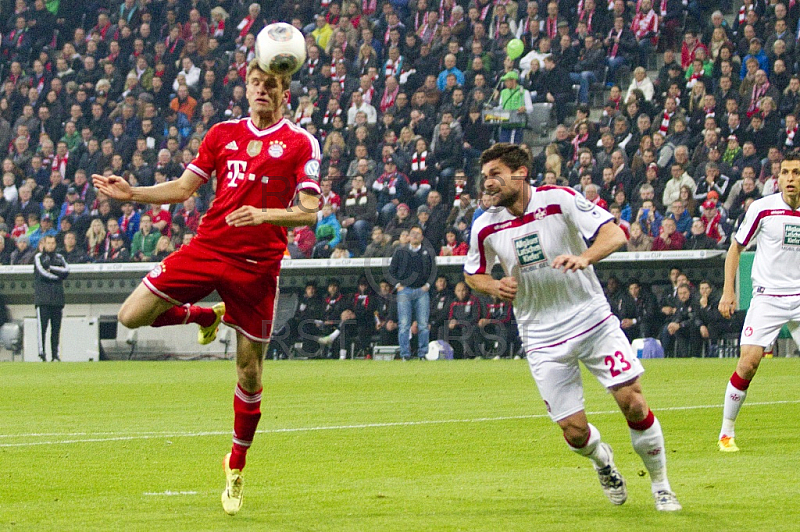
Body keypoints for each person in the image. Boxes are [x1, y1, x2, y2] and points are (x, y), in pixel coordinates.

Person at [92, 59, 321, 515]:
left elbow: (311, 210)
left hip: (257, 267)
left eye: (271, 85)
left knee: (250, 373)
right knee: (130, 316)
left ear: (284, 92)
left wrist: (264, 215)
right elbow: (182, 189)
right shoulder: (221, 135)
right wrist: (132, 193)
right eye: (255, 83)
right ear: (247, 87)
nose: (261, 90)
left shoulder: (300, 142)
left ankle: (235, 467)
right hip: (208, 248)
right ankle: (203, 315)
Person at [464, 143, 681, 511]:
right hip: (541, 335)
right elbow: (472, 273)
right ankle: (603, 461)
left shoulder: (559, 199)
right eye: (485, 177)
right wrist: (494, 286)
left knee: (633, 401)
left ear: (520, 173)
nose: (488, 183)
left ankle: (661, 486)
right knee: (575, 433)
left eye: (495, 174)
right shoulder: (484, 226)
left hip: (591, 318)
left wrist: (584, 257)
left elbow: (614, 235)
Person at [717, 154, 800, 453]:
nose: (790, 178)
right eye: (785, 172)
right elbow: (735, 248)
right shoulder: (762, 209)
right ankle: (726, 432)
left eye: (796, 173)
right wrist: (729, 292)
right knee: (749, 363)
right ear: (777, 178)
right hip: (767, 298)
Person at [388, 225, 436, 360]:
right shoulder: (400, 251)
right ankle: (405, 354)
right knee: (404, 324)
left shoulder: (428, 252)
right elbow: (391, 271)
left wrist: (427, 285)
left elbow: (434, 271)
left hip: (421, 291)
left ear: (422, 237)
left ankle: (423, 354)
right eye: (412, 233)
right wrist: (398, 285)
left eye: (418, 233)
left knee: (423, 324)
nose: (415, 236)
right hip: (405, 290)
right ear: (409, 236)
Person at [34, 235, 69, 362]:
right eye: (48, 243)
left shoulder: (60, 257)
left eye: (53, 243)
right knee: (42, 328)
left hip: (57, 300)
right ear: (43, 244)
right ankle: (42, 353)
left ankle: (55, 354)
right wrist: (57, 276)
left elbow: (66, 271)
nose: (51, 245)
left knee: (56, 329)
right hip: (43, 299)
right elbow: (43, 273)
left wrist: (52, 269)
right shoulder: (38, 257)